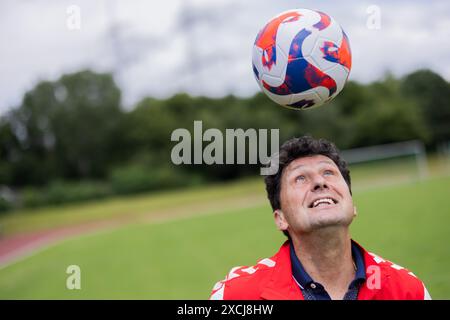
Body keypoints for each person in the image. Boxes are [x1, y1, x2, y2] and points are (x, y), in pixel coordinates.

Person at [209, 136, 431, 300]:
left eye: (328, 173)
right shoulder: (237, 295)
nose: (319, 182)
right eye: (300, 178)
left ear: (353, 205)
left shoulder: (407, 290)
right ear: (280, 218)